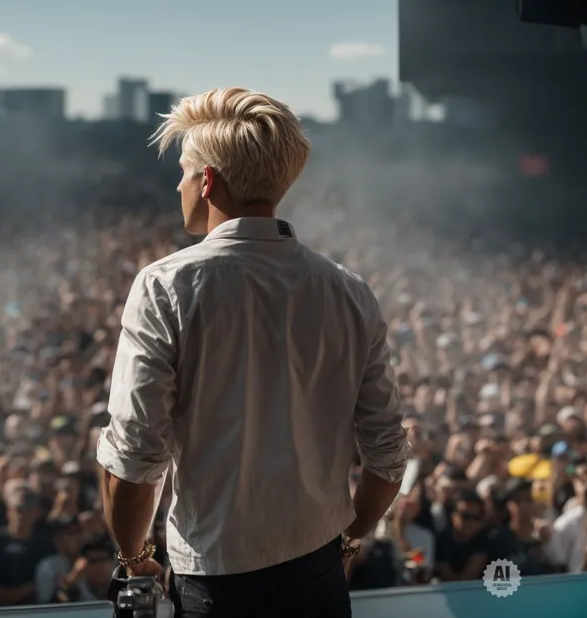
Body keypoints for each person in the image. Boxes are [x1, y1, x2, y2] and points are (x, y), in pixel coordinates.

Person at [95, 87, 411, 617]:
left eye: (182, 170)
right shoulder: (347, 290)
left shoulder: (164, 286)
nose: (178, 185)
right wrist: (349, 540)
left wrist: (134, 557)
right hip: (320, 580)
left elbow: (132, 458)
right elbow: (388, 452)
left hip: (216, 587)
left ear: (208, 180)